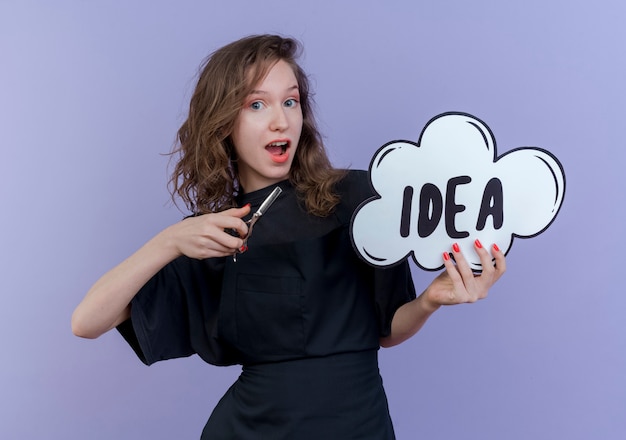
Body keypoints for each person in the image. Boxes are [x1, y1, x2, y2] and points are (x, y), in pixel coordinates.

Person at [72, 34, 506, 439]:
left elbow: (386, 330)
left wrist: (430, 301)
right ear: (224, 122)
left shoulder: (359, 198)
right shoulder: (211, 234)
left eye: (291, 102)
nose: (281, 121)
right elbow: (86, 322)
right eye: (256, 105)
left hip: (362, 424)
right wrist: (169, 241)